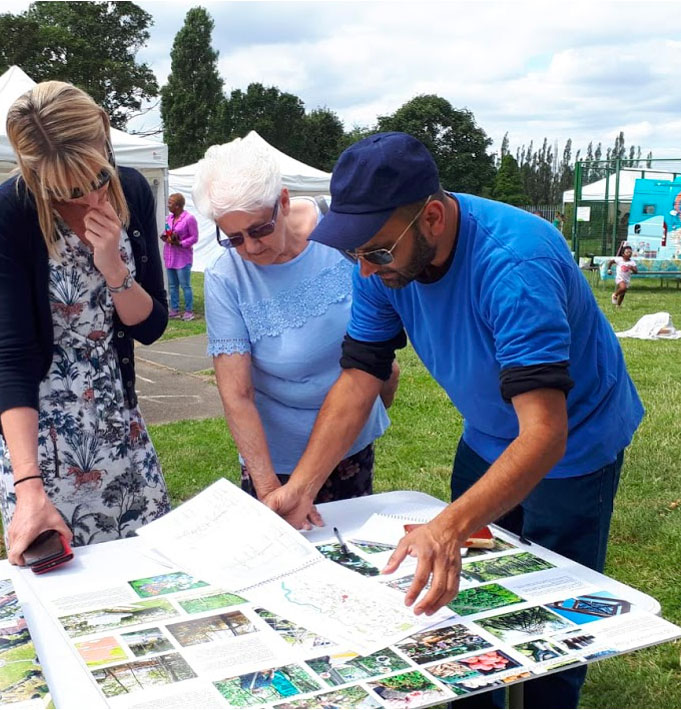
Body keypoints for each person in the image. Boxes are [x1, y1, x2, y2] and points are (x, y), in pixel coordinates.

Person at [263, 133, 643, 710]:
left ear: (432, 218)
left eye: (377, 253)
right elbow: (361, 374)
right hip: (488, 432)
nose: (364, 271)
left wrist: (447, 525)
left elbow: (544, 432)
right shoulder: (382, 256)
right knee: (465, 597)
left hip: (575, 441)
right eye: (353, 255)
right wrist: (303, 485)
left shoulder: (515, 263)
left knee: (554, 613)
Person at [0, 81, 170, 563]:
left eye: (94, 179)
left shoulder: (131, 189)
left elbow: (150, 327)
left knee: (144, 566)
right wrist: (28, 487)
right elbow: (13, 353)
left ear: (104, 133)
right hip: (41, 431)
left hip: (116, 414)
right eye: (66, 189)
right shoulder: (9, 211)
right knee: (59, 575)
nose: (88, 200)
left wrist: (114, 270)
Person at [192, 136, 394, 503]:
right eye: (233, 238)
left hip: (349, 440)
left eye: (259, 229)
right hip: (276, 458)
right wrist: (268, 487)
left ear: (282, 202)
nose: (250, 248)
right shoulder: (226, 277)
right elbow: (237, 393)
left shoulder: (339, 235)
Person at [162, 193, 198, 320]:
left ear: (177, 206)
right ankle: (175, 309)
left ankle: (189, 311)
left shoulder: (189, 219)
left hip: (183, 258)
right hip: (170, 256)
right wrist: (165, 236)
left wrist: (181, 243)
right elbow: (167, 230)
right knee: (172, 285)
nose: (168, 205)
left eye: (170, 203)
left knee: (185, 285)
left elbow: (194, 237)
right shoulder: (169, 218)